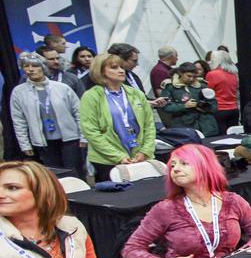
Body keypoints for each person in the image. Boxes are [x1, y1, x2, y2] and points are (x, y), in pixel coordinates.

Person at [122, 144, 251, 258]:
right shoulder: (165, 209)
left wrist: (242, 253)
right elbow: (131, 249)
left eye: (184, 163)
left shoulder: (233, 201)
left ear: (205, 166)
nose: (176, 169)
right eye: (172, 165)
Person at [80, 53, 157, 182]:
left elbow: (149, 125)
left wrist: (145, 151)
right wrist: (118, 156)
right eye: (114, 67)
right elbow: (91, 131)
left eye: (121, 67)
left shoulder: (136, 94)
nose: (121, 70)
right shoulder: (91, 96)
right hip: (107, 161)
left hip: (140, 156)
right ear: (101, 71)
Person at [10, 54, 83, 174]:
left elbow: (79, 113)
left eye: (35, 66)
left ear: (43, 67)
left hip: (70, 139)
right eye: (26, 66)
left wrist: (83, 136)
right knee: (53, 174)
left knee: (74, 172)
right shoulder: (19, 92)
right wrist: (25, 145)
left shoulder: (62, 88)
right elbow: (19, 121)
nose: (30, 69)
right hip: (43, 142)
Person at [161, 62, 219, 137]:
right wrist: (184, 106)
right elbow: (165, 107)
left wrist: (205, 107)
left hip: (206, 126)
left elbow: (214, 107)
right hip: (184, 126)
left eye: (194, 77)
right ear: (180, 73)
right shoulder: (170, 87)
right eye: (189, 76)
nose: (191, 79)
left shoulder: (202, 85)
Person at [205, 50, 240, 135]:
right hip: (234, 109)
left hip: (219, 109)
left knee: (221, 136)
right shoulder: (234, 74)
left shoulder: (212, 74)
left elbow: (208, 93)